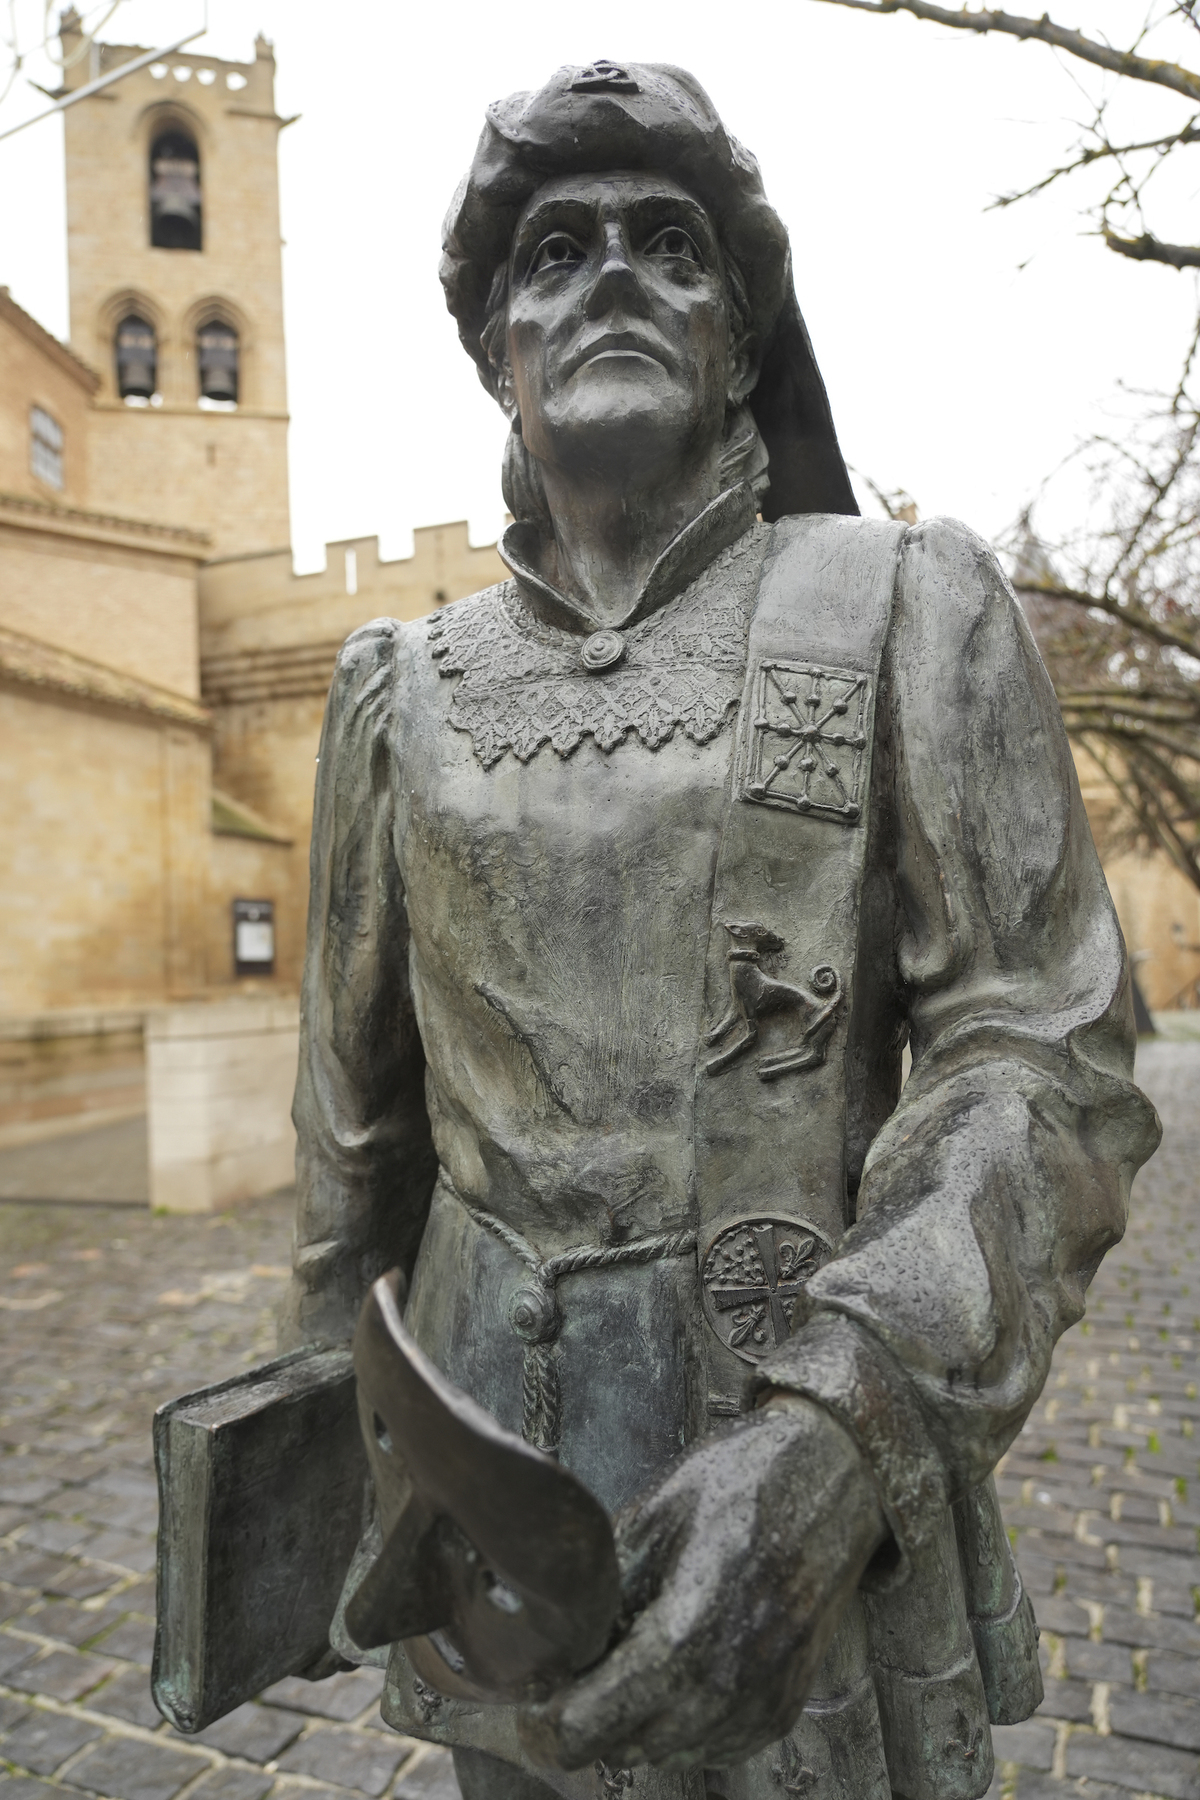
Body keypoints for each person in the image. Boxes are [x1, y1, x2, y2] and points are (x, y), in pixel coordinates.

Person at [283, 60, 1160, 1800]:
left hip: (799, 1437)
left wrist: (843, 1436)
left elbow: (1044, 1063)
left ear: (743, 347)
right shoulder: (398, 688)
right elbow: (354, 1126)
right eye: (554, 253)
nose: (612, 273)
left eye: (670, 246)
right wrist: (321, 1450)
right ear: (498, 359)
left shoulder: (903, 604)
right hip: (487, 1493)